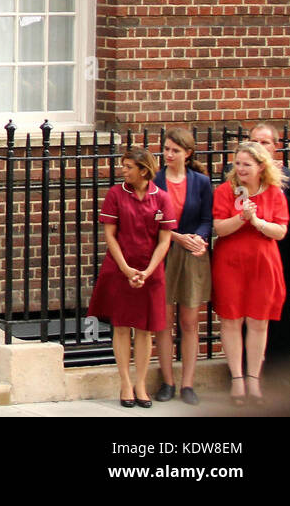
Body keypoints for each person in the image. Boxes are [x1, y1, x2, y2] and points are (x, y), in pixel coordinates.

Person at [88, 147, 178, 407]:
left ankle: (141, 383)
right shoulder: (116, 194)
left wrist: (148, 271)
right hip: (120, 269)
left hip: (151, 271)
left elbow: (165, 239)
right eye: (123, 165)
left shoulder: (161, 198)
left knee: (144, 329)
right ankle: (125, 382)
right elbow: (110, 235)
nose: (123, 170)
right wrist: (127, 269)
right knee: (121, 325)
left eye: (128, 166)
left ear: (143, 170)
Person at [212, 140, 288, 405]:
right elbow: (219, 228)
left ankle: (254, 378)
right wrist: (241, 218)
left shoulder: (275, 193)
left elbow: (281, 231)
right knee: (231, 320)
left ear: (260, 167)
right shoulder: (225, 191)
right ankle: (237, 379)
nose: (241, 169)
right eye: (238, 163)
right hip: (231, 263)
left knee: (258, 321)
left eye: (247, 164)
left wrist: (257, 221)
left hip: (262, 263)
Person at [152, 128, 213, 405]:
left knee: (189, 321)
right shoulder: (155, 180)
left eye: (175, 150)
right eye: (166, 149)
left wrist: (199, 239)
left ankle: (188, 383)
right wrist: (176, 236)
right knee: (163, 321)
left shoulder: (200, 181)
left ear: (187, 154)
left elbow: (207, 217)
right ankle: (168, 381)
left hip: (192, 254)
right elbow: (149, 218)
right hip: (164, 251)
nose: (168, 154)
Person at [251, 121, 290, 388]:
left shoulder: (288, 177)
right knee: (249, 309)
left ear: (276, 147)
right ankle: (249, 370)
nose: (259, 147)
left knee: (280, 308)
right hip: (249, 251)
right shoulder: (239, 174)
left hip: (282, 251)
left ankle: (278, 369)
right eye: (254, 141)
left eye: (264, 142)